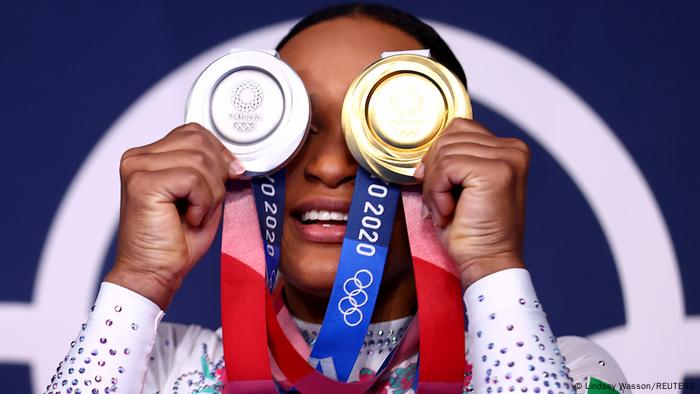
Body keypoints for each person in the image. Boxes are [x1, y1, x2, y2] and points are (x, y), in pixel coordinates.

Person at [44, 4, 627, 393]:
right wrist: (139, 278)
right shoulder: (154, 367)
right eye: (299, 127)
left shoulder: (564, 367)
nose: (327, 166)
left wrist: (494, 267)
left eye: (376, 133)